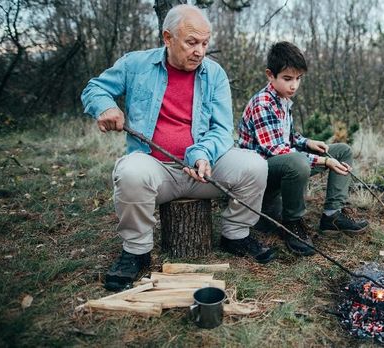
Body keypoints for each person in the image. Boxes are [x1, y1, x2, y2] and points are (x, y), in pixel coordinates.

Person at [81, 5, 276, 291]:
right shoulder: (135, 64)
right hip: (156, 170)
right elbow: (94, 89)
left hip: (204, 170)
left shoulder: (215, 74)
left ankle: (236, 234)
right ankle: (136, 252)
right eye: (191, 42)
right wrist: (107, 106)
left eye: (205, 43)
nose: (200, 51)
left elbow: (222, 130)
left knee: (254, 165)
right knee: (130, 171)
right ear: (167, 38)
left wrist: (201, 153)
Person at [237, 41, 368, 256]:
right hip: (259, 177)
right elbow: (276, 149)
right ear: (270, 75)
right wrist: (324, 161)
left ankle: (332, 215)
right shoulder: (263, 103)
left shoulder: (283, 100)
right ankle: (293, 223)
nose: (294, 85)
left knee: (341, 150)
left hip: (280, 165)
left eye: (298, 79)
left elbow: (288, 137)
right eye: (288, 79)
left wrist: (307, 142)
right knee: (298, 162)